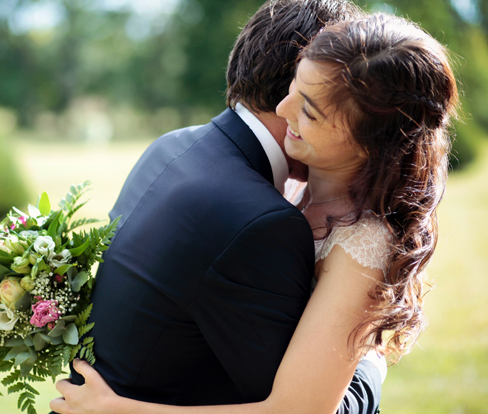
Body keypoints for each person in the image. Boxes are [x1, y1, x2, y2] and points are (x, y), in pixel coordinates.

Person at [50, 10, 458, 414]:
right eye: (293, 88)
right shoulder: (282, 195)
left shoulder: (360, 239)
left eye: (309, 111)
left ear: (372, 141)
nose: (283, 110)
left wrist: (368, 356)